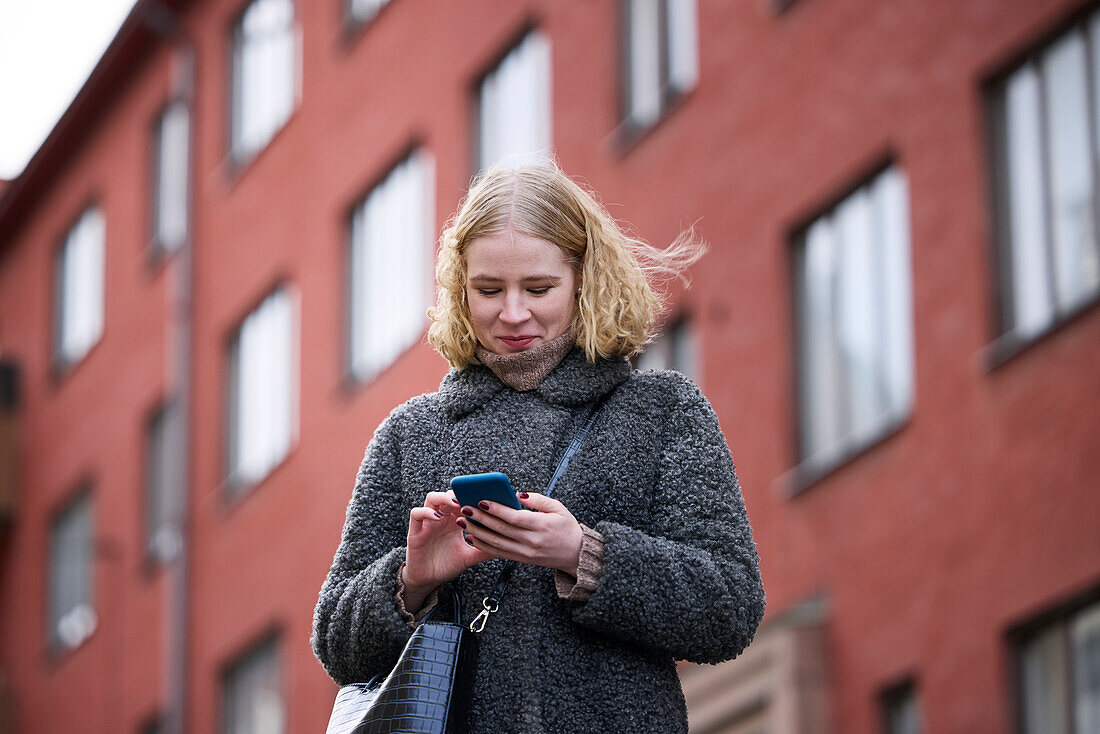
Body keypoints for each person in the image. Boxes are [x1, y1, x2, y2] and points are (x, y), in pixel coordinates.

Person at [311, 161, 765, 733]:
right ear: (460, 288)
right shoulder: (409, 435)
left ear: (585, 279)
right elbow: (336, 643)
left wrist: (584, 555)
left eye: (540, 288)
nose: (513, 313)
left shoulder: (662, 410)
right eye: (489, 290)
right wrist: (412, 579)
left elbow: (731, 607)